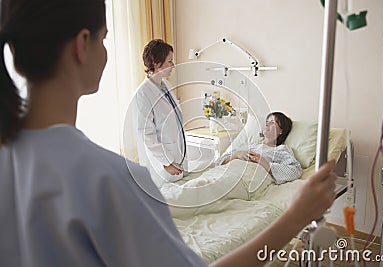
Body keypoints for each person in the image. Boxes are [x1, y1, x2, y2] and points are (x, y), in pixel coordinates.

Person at [0, 0, 337, 266]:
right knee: (191, 190)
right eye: (105, 38)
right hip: (217, 169)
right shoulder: (109, 179)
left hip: (243, 175)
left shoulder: (11, 158)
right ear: (82, 44)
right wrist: (296, 216)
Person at [132, 39, 186, 187]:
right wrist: (166, 162)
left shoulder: (165, 85)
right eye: (169, 61)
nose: (173, 65)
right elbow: (146, 134)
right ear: (156, 63)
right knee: (166, 200)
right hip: (161, 166)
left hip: (176, 156)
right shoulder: (142, 94)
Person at [218, 112, 302, 184]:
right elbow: (218, 162)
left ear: (281, 131)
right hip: (223, 173)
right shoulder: (248, 145)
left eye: (272, 122)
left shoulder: (281, 149)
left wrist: (265, 164)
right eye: (266, 122)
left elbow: (295, 171)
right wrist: (236, 155)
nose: (266, 124)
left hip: (245, 179)